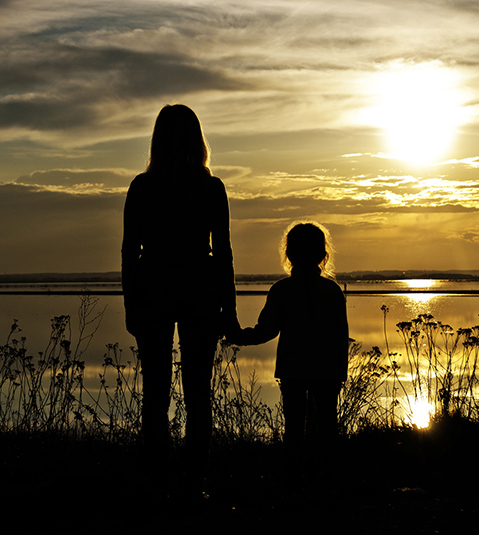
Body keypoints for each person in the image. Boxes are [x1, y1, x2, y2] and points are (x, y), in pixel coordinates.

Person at [121, 104, 238, 492]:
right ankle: (195, 478)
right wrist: (230, 307)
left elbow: (129, 250)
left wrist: (129, 302)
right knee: (197, 390)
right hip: (199, 288)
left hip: (152, 285)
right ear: (198, 140)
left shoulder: (142, 186)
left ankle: (157, 478)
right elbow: (222, 251)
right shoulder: (210, 187)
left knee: (155, 390)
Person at [226, 222, 349, 481]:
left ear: (289, 255)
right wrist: (341, 374)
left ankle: (294, 484)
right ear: (323, 255)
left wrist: (238, 335)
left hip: (293, 369)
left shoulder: (282, 290)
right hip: (327, 370)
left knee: (294, 430)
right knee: (328, 430)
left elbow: (266, 331)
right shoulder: (332, 291)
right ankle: (329, 483)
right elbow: (340, 337)